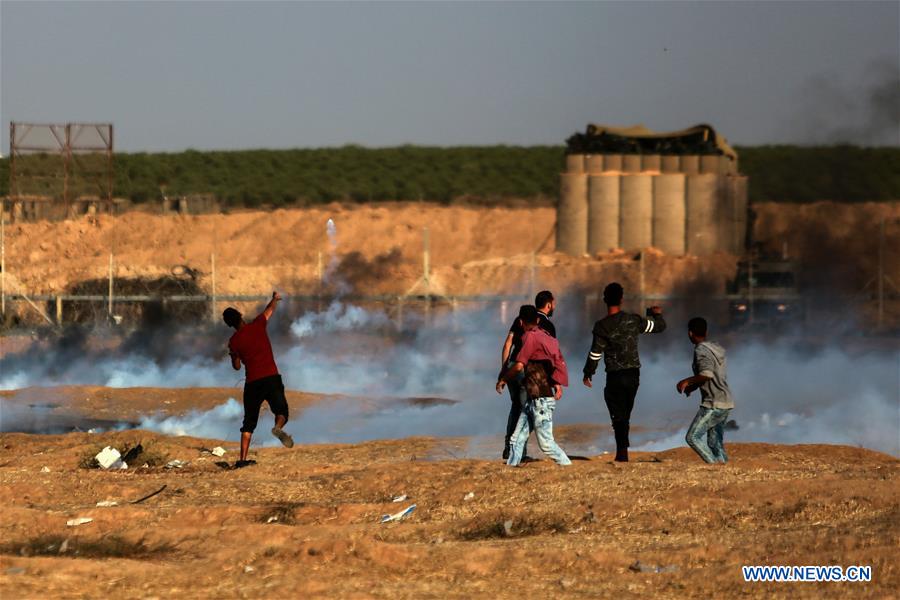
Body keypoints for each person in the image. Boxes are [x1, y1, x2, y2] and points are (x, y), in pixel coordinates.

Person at [582, 282, 666, 462]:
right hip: (633, 375)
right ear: (621, 299)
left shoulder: (602, 326)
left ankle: (622, 452)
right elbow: (658, 327)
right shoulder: (633, 320)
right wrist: (655, 314)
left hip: (615, 376)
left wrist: (589, 372)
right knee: (625, 414)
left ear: (605, 300)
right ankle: (622, 451)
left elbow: (596, 352)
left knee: (618, 415)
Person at [223, 291, 294, 468]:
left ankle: (242, 460)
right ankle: (278, 428)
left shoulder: (233, 342)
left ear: (228, 324)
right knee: (282, 411)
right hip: (271, 377)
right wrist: (275, 299)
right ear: (240, 315)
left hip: (252, 383)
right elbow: (269, 310)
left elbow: (237, 367)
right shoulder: (258, 325)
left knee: (248, 422)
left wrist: (233, 355)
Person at [497, 305, 571, 466]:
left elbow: (518, 366)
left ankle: (567, 466)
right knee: (517, 438)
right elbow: (554, 361)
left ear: (521, 322)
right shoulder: (546, 336)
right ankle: (511, 467)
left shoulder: (529, 337)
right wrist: (557, 383)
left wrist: (503, 378)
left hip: (541, 400)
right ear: (537, 320)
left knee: (546, 444)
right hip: (534, 398)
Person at [676, 317, 735, 464]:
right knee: (714, 443)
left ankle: (714, 467)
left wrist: (686, 381)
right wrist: (693, 387)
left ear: (690, 333)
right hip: (725, 402)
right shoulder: (715, 348)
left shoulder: (701, 350)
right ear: (706, 331)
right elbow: (710, 375)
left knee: (692, 437)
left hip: (713, 404)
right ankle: (724, 470)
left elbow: (706, 374)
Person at [499, 305, 531, 460]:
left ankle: (508, 448)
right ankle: (519, 452)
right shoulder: (540, 323)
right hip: (524, 368)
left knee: (515, 407)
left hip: (512, 365)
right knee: (525, 410)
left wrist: (504, 370)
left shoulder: (517, 321)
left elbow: (507, 345)